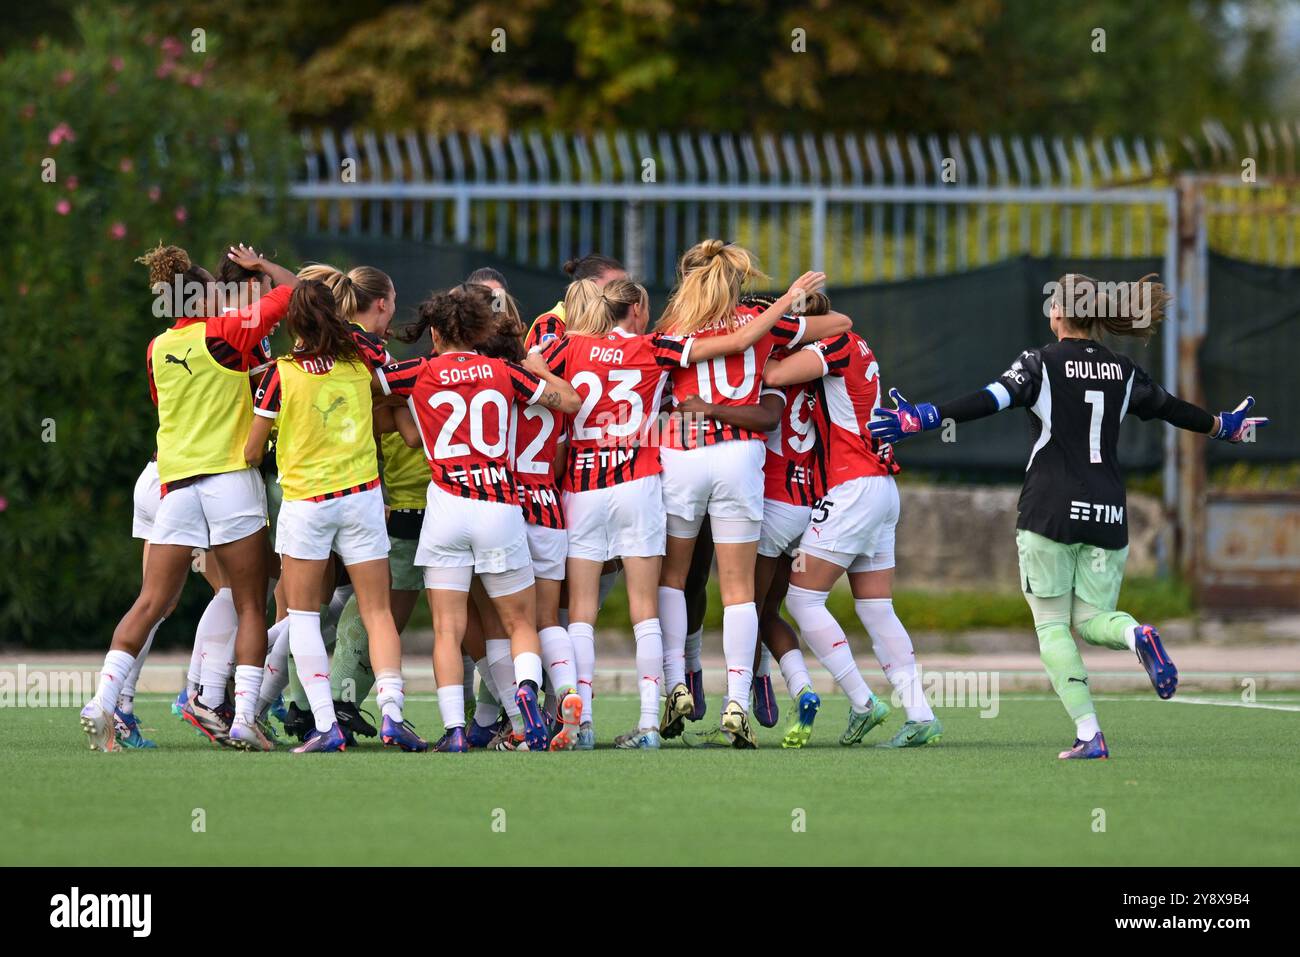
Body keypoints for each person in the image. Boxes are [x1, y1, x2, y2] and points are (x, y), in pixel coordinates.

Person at [867, 273, 1270, 758]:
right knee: (1096, 619)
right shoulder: (1124, 371)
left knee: (1053, 626)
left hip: (1050, 509)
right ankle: (1136, 633)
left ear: (1058, 313)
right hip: (1107, 510)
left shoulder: (1038, 363)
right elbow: (1173, 409)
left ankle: (1089, 733)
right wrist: (1222, 426)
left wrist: (927, 416)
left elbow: (988, 399)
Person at [544, 271, 826, 748]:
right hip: (674, 473)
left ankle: (593, 717)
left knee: (599, 608)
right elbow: (760, 336)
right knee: (706, 597)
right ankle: (695, 710)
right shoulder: (662, 345)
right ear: (635, 310)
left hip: (609, 480)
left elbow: (531, 367)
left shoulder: (611, 339)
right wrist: (790, 301)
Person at [79, 243, 296, 753]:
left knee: (151, 601)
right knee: (249, 604)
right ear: (203, 297)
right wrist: (262, 267)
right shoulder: (228, 332)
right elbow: (293, 293)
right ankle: (243, 716)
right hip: (228, 481)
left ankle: (103, 701)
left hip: (175, 485)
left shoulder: (156, 349)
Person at [654, 241, 848, 748]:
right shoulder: (759, 324)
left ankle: (676, 682)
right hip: (741, 457)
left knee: (674, 579)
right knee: (740, 590)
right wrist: (788, 313)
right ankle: (736, 700)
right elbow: (839, 326)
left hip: (684, 452)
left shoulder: (672, 330)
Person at [376, 284, 581, 752]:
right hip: (499, 505)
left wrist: (403, 411)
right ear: (479, 329)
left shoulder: (417, 370)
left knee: (447, 629)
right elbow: (567, 403)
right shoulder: (505, 372)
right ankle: (528, 691)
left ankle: (453, 732)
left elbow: (367, 387)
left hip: (446, 504)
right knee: (520, 623)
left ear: (435, 331)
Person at [245, 280, 426, 753]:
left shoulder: (280, 373)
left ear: (292, 324)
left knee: (303, 616)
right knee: (378, 611)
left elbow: (250, 450)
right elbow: (387, 401)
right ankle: (393, 714)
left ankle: (326, 724)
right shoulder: (361, 362)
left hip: (308, 503)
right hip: (363, 497)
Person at [764, 319, 937, 749]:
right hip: (880, 487)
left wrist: (767, 340)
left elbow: (774, 375)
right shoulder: (857, 347)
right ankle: (921, 715)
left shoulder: (837, 341)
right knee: (877, 609)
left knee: (803, 599)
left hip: (853, 486)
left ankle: (862, 702)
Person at [523, 253, 627, 353]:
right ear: (588, 285)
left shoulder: (617, 326)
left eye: (626, 287)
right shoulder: (550, 323)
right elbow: (540, 367)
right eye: (615, 286)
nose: (625, 294)